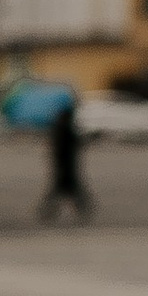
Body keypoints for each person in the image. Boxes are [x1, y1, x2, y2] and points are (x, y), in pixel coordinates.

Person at [39, 91, 93, 220]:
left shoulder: (59, 129)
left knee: (60, 192)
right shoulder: (65, 129)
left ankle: (48, 212)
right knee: (71, 192)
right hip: (66, 167)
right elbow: (74, 144)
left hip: (63, 166)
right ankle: (49, 212)